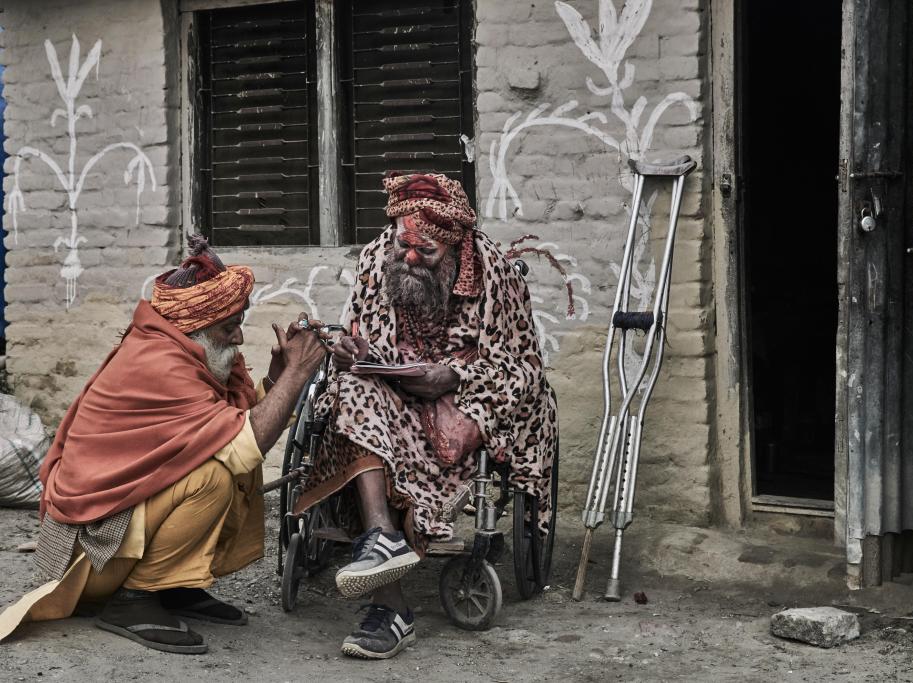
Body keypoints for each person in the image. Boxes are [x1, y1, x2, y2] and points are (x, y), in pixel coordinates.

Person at [0, 236, 329, 654]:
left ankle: (172, 586)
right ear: (198, 329)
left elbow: (238, 423)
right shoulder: (160, 364)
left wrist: (277, 379)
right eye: (230, 328)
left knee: (223, 455)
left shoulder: (184, 351)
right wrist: (297, 376)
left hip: (109, 532)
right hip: (90, 554)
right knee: (214, 473)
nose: (240, 339)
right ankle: (134, 598)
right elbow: (246, 441)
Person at [293, 172, 558, 660]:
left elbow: (524, 368)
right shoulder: (377, 260)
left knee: (392, 432)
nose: (410, 257)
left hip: (460, 414)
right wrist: (350, 349)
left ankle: (387, 598)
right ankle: (382, 540)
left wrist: (453, 377)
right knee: (350, 389)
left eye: (426, 252)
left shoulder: (493, 275)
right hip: (386, 404)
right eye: (403, 247)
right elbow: (356, 332)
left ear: (456, 248)